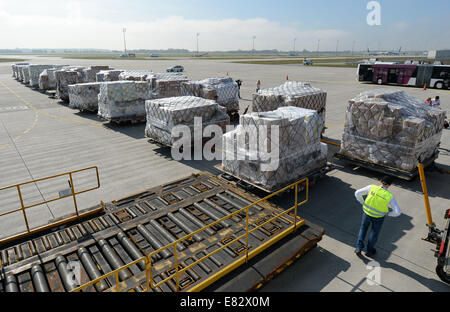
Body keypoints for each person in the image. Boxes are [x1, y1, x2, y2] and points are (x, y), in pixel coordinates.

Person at [354, 176, 402, 257]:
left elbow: (357, 193)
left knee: (363, 229)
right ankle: (369, 251)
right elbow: (398, 212)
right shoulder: (389, 196)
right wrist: (389, 214)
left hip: (367, 213)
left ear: (380, 181)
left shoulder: (371, 187)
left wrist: (362, 202)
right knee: (374, 233)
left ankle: (359, 248)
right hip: (378, 217)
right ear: (389, 185)